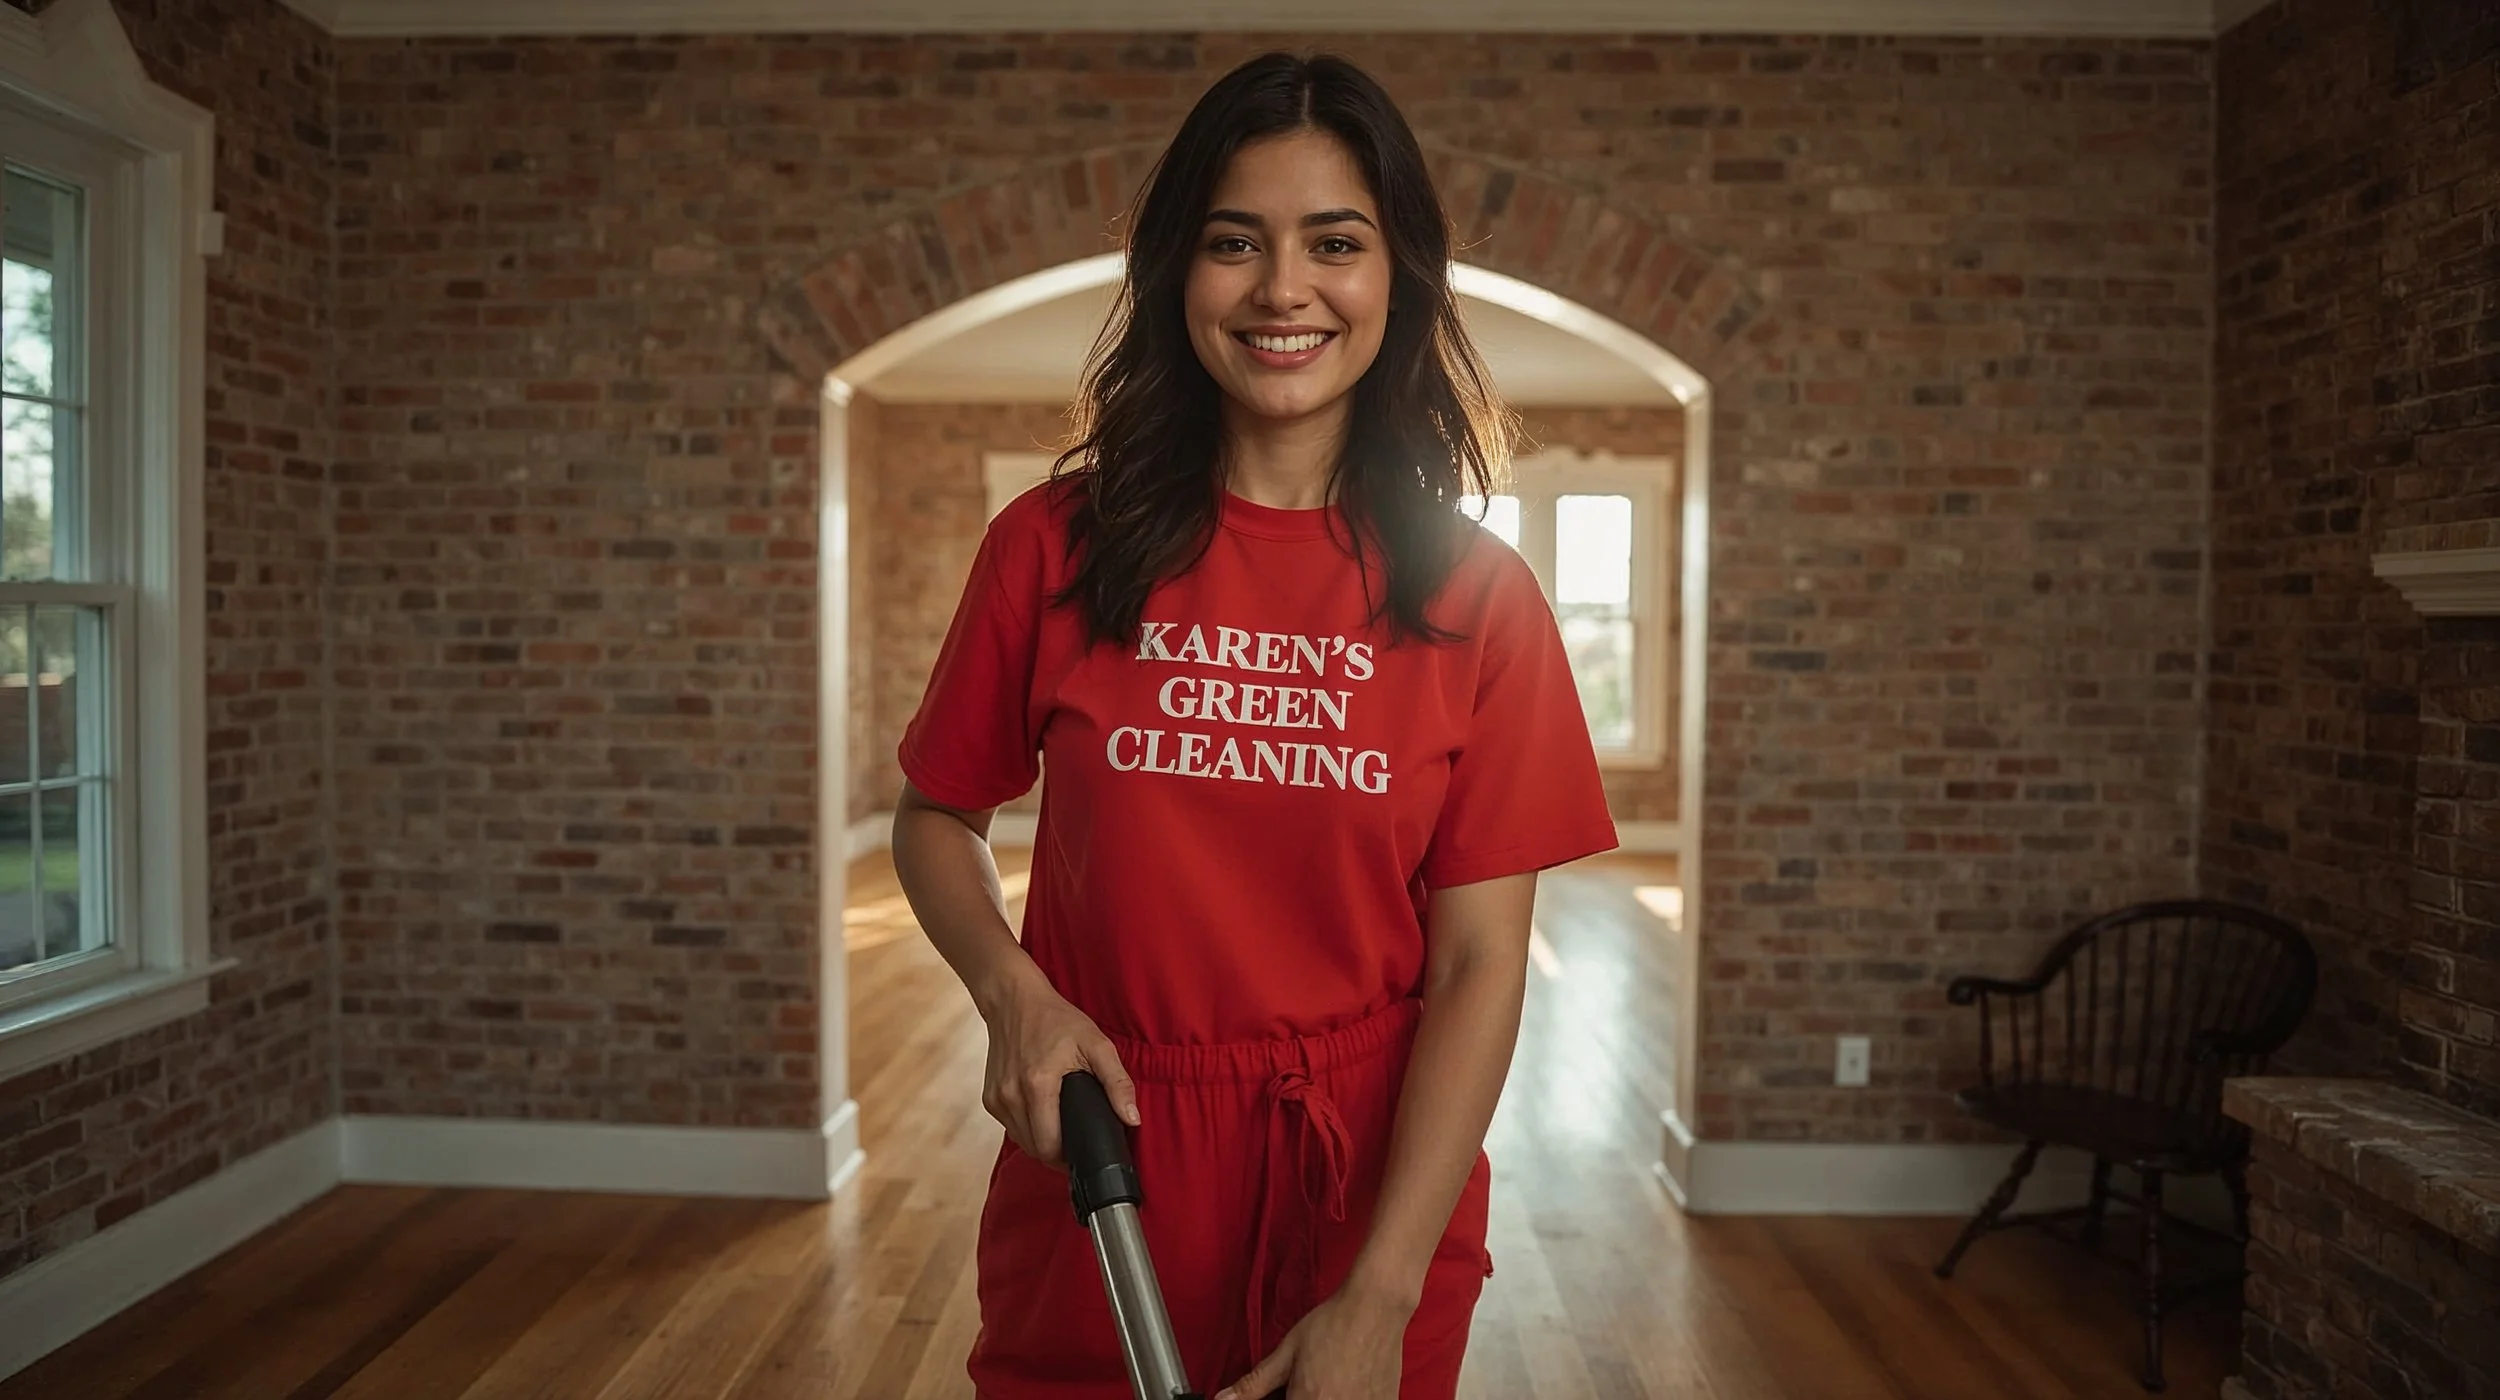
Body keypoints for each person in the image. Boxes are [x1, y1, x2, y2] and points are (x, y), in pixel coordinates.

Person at [891, 49, 1618, 1400]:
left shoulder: (1480, 599)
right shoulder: (1053, 548)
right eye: (1236, 243)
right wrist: (1017, 996)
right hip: (1107, 1150)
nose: (1283, 289)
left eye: (1333, 243)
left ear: (1397, 276)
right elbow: (938, 813)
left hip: (1369, 1183)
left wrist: (1381, 1293)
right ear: (1180, 271)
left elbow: (1477, 972)